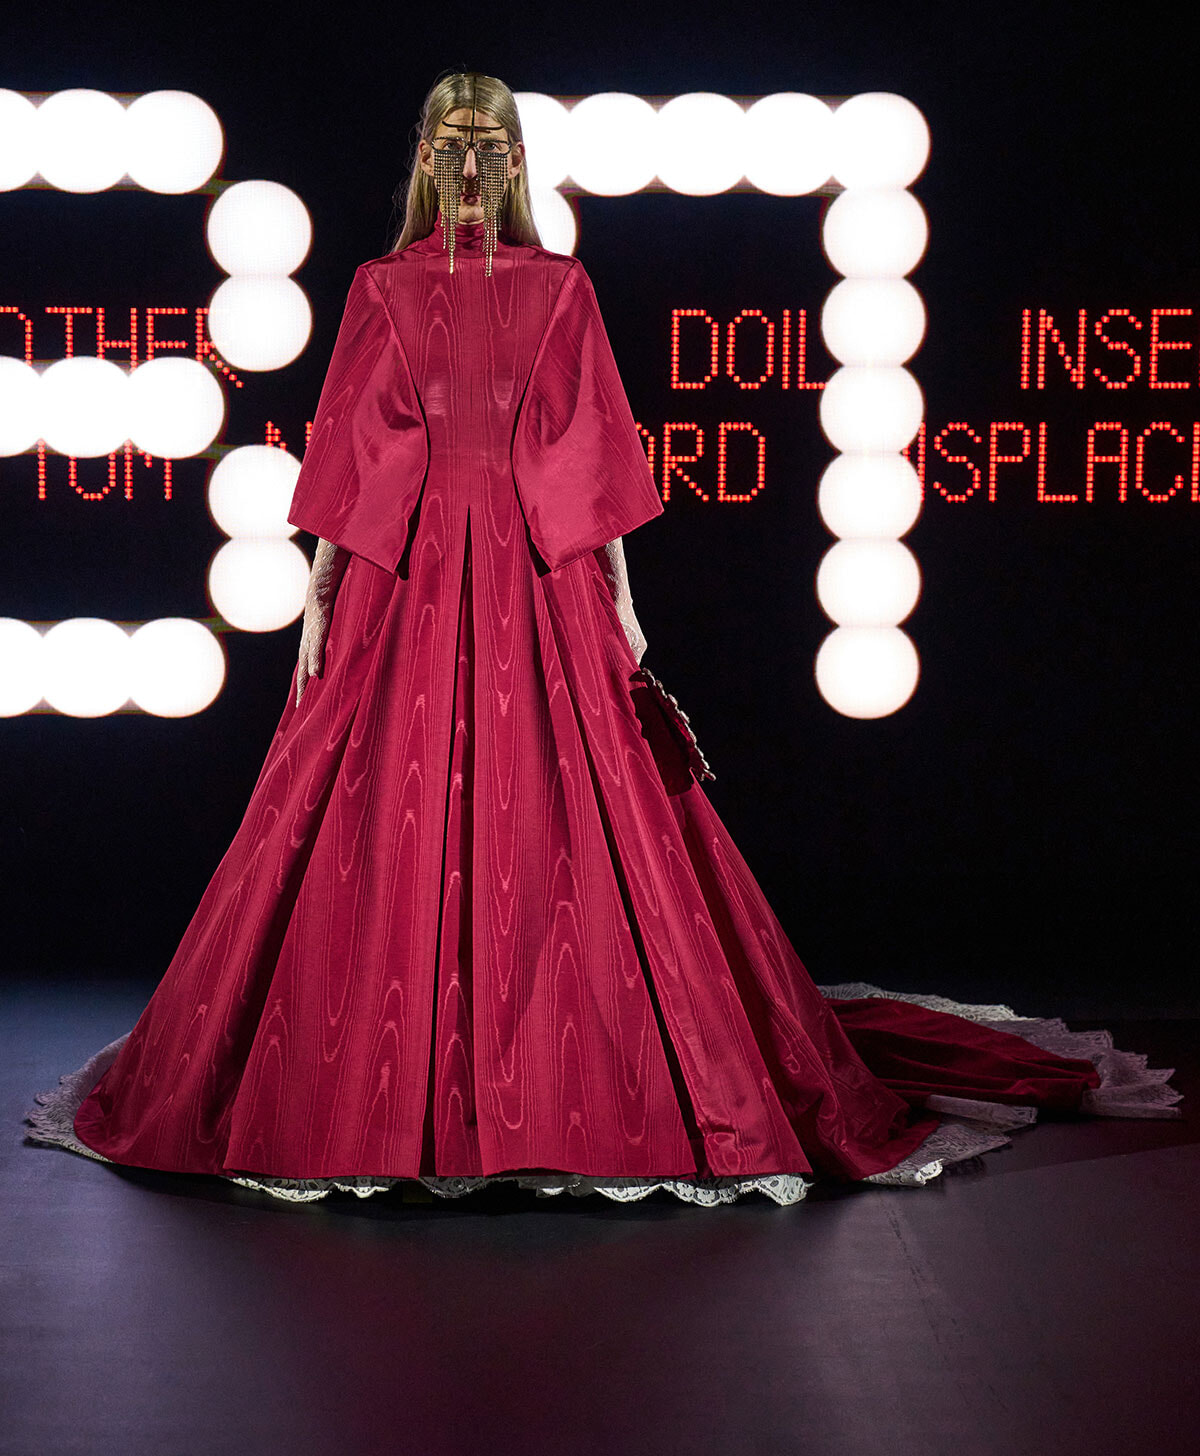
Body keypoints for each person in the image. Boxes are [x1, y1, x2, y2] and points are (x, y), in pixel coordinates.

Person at [25, 71, 1181, 1206]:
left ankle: (523, 1083)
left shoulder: (538, 287)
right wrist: (325, 588)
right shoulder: (398, 287)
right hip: (427, 574)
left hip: (518, 570)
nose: (472, 170)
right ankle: (419, 1085)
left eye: (491, 148)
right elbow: (380, 453)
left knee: (550, 814)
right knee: (409, 809)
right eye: (453, 149)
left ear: (513, 161)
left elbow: (571, 454)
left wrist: (613, 601)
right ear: (429, 161)